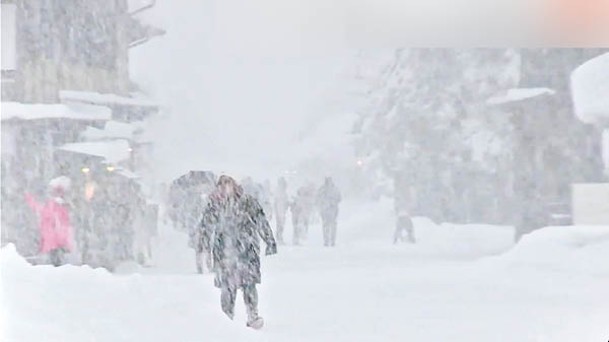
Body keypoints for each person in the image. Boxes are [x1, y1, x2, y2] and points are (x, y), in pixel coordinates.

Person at [200, 175, 277, 329]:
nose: (224, 187)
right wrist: (205, 247)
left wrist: (269, 240)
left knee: (249, 285)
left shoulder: (247, 202)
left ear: (234, 185)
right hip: (224, 252)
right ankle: (226, 319)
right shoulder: (214, 204)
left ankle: (252, 315)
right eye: (220, 184)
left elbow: (260, 220)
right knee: (227, 287)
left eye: (227, 183)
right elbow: (206, 226)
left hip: (246, 249)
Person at [24, 176, 74, 266]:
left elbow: (40, 209)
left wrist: (29, 198)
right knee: (57, 265)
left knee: (54, 265)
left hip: (53, 243)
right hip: (56, 243)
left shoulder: (54, 205)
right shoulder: (62, 206)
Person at [316, 177, 342, 247]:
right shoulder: (322, 190)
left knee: (332, 226)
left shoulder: (335, 189)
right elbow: (317, 198)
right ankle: (327, 240)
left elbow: (339, 198)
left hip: (332, 210)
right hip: (325, 210)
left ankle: (332, 240)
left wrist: (333, 202)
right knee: (326, 225)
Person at [273, 177, 289, 244]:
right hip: (279, 210)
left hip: (282, 211)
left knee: (281, 224)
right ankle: (279, 237)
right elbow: (276, 202)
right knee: (280, 224)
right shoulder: (279, 191)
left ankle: (279, 237)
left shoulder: (283, 192)